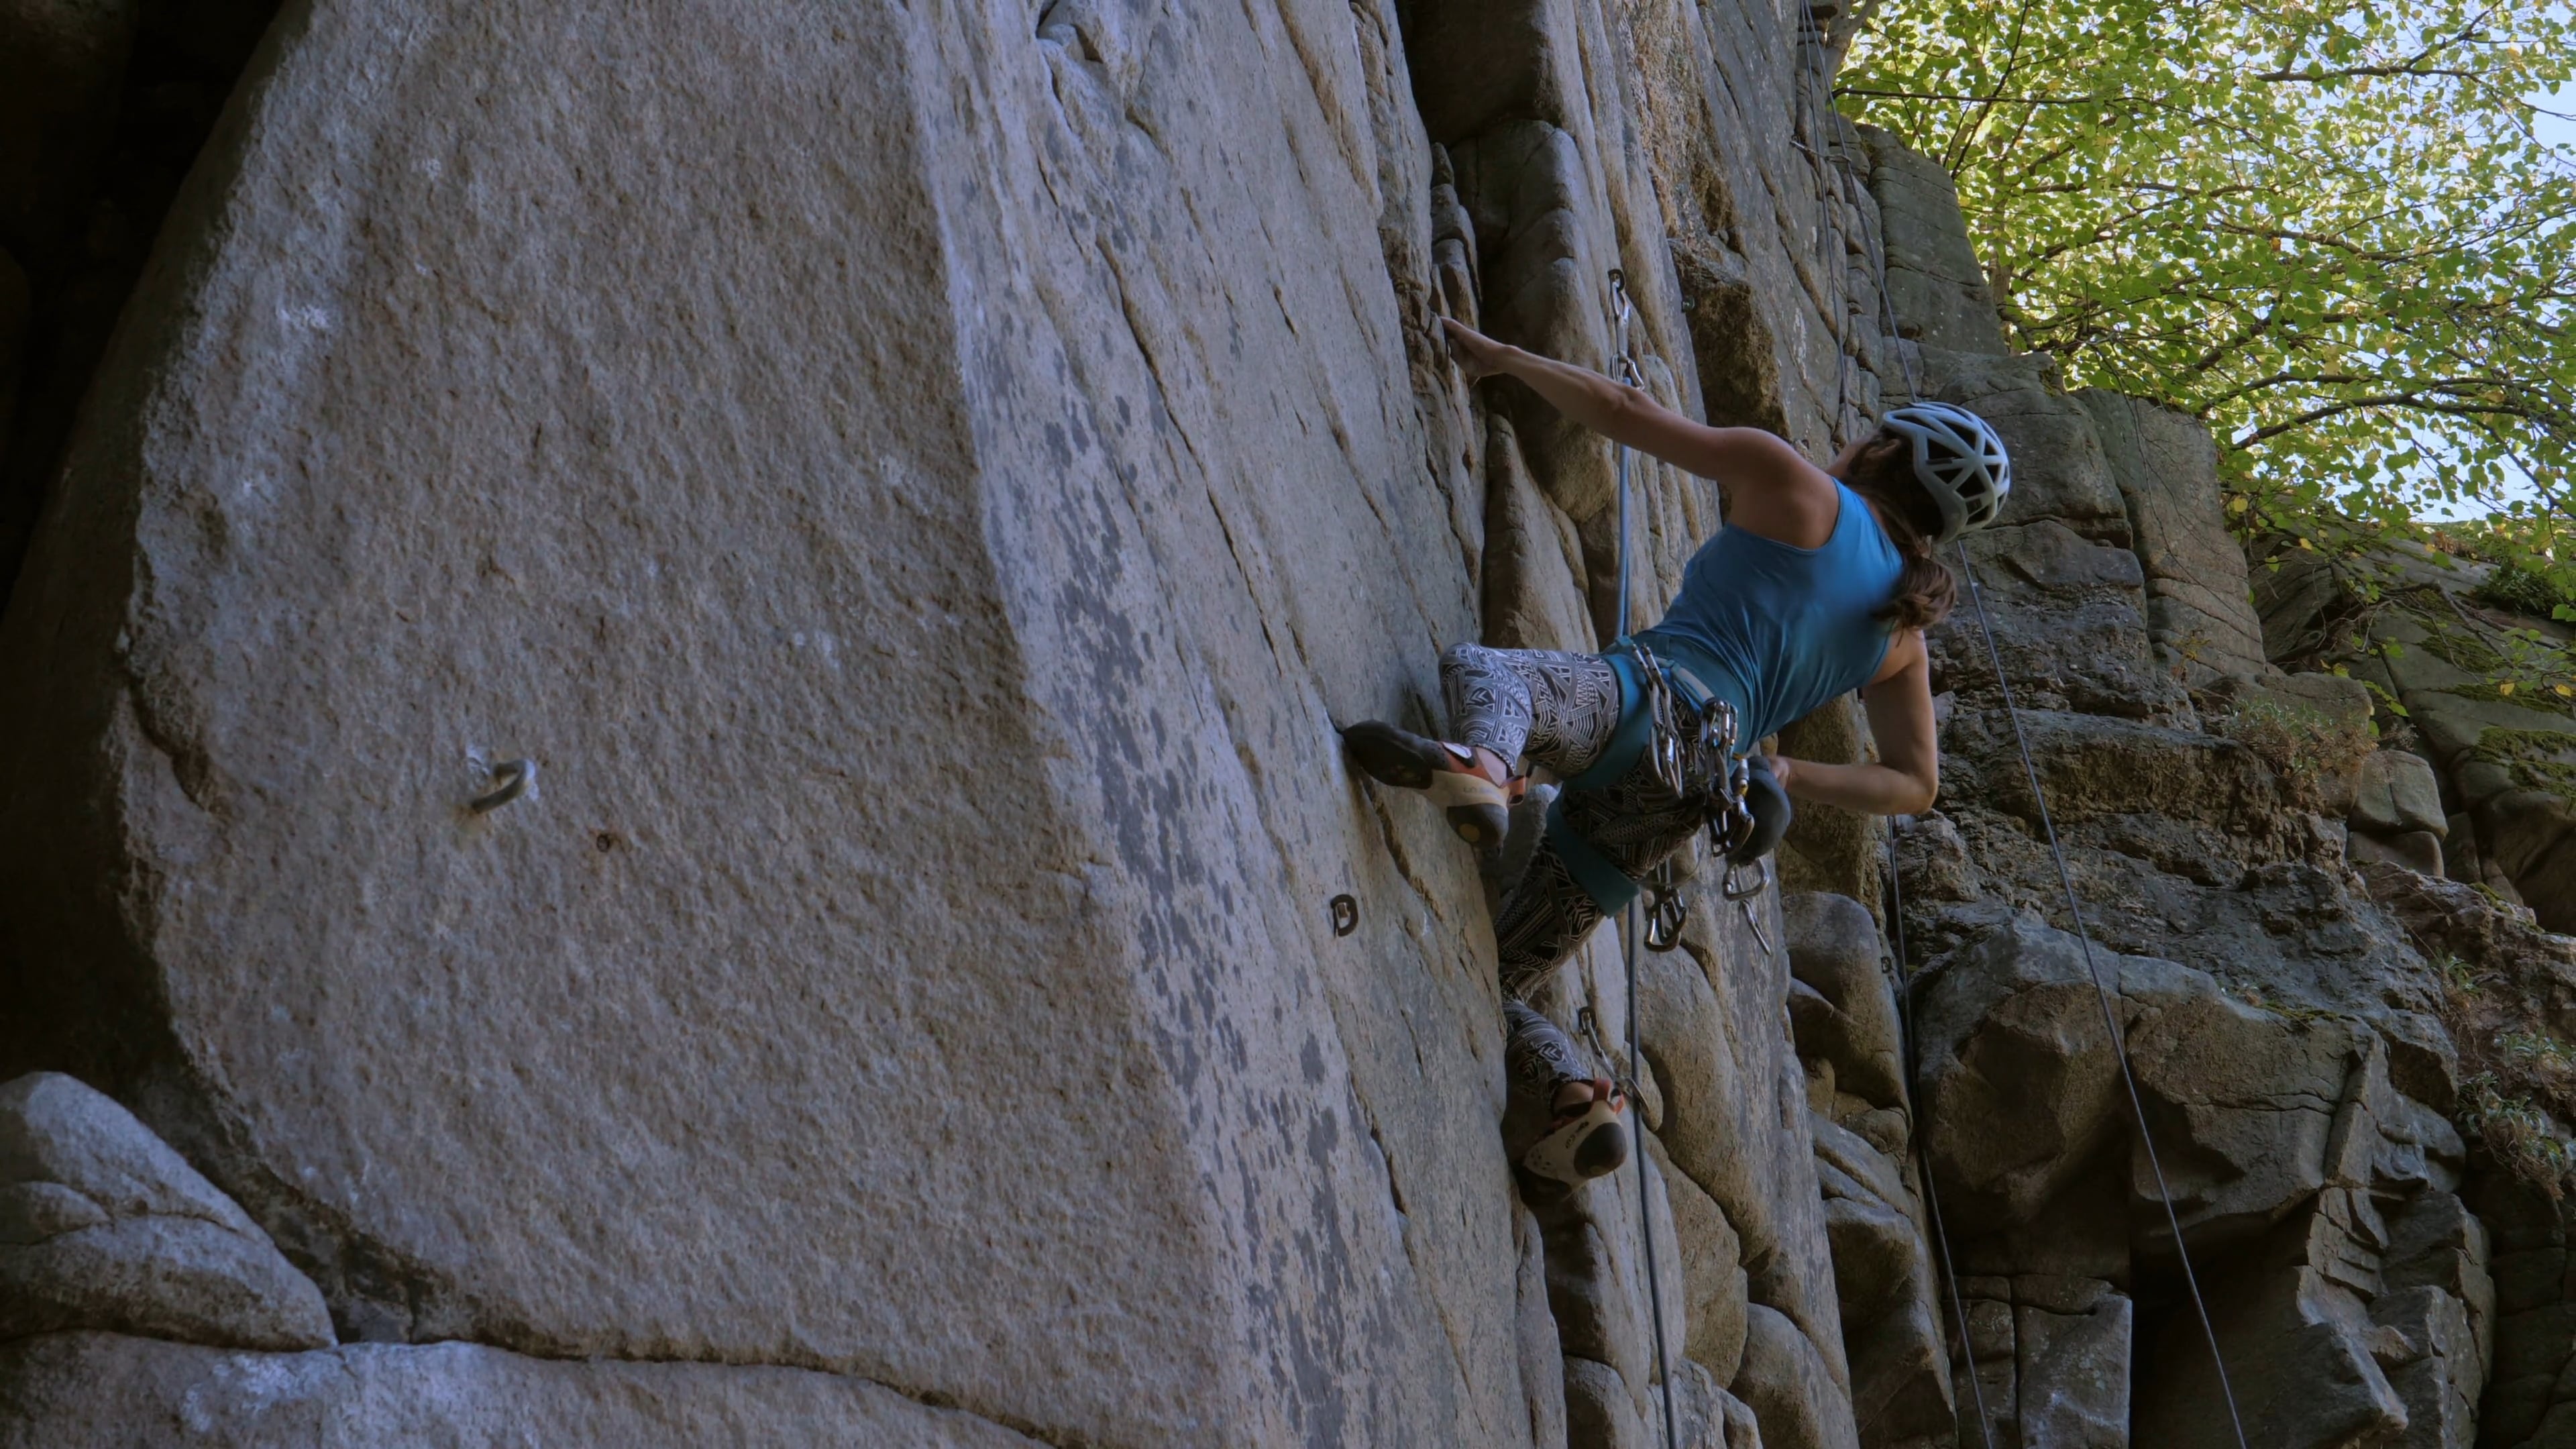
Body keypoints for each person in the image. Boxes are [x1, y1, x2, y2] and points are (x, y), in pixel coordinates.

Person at [1345, 316, 2012, 1185]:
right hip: (1693, 794)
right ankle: (1575, 1094)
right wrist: (1787, 770)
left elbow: (1624, 410)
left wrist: (1504, 356)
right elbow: (1915, 784)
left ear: (1884, 450)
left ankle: (1487, 768)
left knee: (1492, 676)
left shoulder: (1799, 486)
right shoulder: (1901, 636)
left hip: (1642, 702)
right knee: (1505, 971)